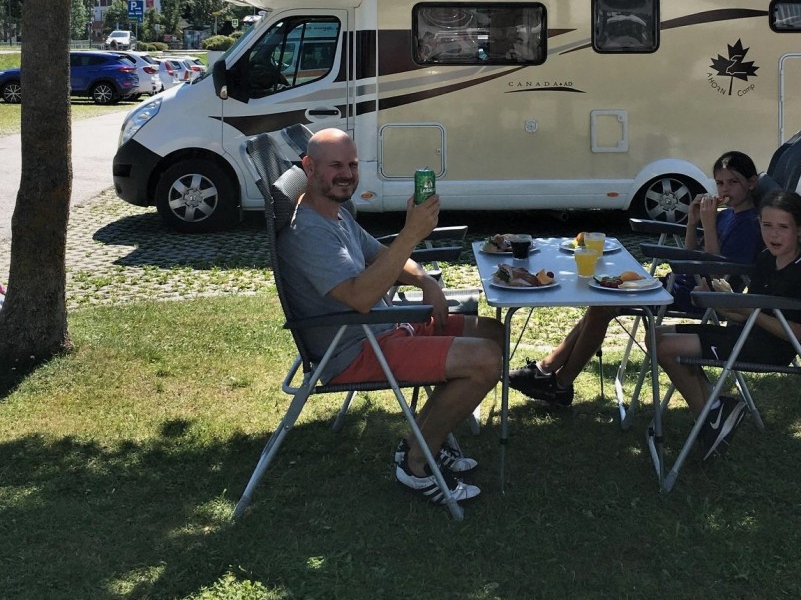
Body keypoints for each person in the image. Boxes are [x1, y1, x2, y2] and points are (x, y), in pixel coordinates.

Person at [277, 127, 503, 507]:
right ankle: (417, 462)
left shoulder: (335, 214)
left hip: (386, 328)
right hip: (355, 347)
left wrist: (427, 280)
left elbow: (383, 256)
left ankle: (424, 440)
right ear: (309, 167)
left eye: (352, 164)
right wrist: (412, 234)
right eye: (335, 166)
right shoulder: (307, 231)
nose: (347, 174)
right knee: (485, 360)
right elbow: (361, 297)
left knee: (492, 332)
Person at [508, 151, 762, 409]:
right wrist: (693, 222)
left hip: (698, 295)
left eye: (733, 182)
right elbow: (691, 252)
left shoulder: (748, 224)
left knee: (603, 305)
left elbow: (719, 275)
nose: (725, 189)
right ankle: (547, 371)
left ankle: (558, 383)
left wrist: (708, 224)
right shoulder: (728, 214)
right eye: (720, 183)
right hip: (679, 282)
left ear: (751, 183)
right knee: (601, 299)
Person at [654, 188, 801, 460]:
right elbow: (750, 311)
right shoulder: (767, 258)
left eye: (783, 227)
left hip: (771, 348)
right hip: (745, 334)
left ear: (800, 229)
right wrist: (723, 305)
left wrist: (744, 307)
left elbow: (795, 333)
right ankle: (716, 410)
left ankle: (710, 417)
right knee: (656, 336)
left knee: (667, 349)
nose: (774, 234)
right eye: (767, 226)